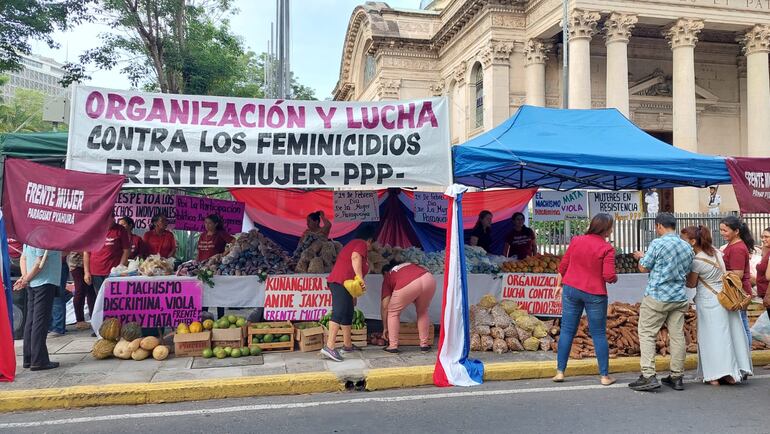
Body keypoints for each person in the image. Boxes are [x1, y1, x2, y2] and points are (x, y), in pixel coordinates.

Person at [629, 213, 694, 392]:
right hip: (679, 297)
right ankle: (677, 376)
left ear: (659, 226)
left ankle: (649, 375)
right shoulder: (687, 246)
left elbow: (644, 267)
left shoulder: (657, 243)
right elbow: (688, 271)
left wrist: (640, 256)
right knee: (677, 335)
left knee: (647, 333)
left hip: (657, 296)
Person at [681, 225, 752, 385]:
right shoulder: (717, 253)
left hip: (708, 301)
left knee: (710, 338)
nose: (682, 242)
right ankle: (730, 373)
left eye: (684, 239)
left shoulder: (697, 261)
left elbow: (691, 284)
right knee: (728, 336)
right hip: (724, 298)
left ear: (693, 241)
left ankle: (715, 375)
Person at [553, 213, 617, 386]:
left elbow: (563, 265)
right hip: (595, 294)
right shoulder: (607, 248)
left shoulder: (576, 241)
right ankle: (604, 376)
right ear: (605, 228)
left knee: (567, 330)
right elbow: (609, 275)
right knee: (598, 333)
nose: (612, 230)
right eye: (611, 226)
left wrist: (559, 285)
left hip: (571, 289)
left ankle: (560, 372)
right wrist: (614, 278)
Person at [321, 225, 376, 362]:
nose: (371, 246)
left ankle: (347, 345)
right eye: (372, 243)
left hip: (346, 285)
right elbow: (355, 257)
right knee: (339, 312)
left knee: (348, 313)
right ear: (369, 240)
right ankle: (329, 346)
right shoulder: (360, 244)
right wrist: (359, 277)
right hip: (339, 282)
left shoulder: (354, 244)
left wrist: (354, 294)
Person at [14, 245, 62, 371]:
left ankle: (29, 358)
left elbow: (23, 258)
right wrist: (25, 279)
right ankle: (39, 360)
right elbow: (39, 262)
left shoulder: (29, 237)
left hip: (32, 282)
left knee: (31, 320)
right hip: (44, 281)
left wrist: (25, 277)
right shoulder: (43, 238)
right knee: (40, 322)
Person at [380, 261, 435, 354]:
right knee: (423, 312)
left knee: (393, 312)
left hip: (409, 284)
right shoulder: (408, 264)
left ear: (385, 272)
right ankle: (424, 345)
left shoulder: (388, 275)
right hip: (428, 278)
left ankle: (392, 346)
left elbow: (385, 306)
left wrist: (385, 328)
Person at [720, 215, 755, 349]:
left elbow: (737, 275)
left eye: (725, 230)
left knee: (742, 324)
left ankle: (745, 354)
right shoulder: (734, 245)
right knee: (741, 322)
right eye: (721, 230)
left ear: (736, 231)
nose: (722, 233)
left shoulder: (737, 249)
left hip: (738, 293)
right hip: (739, 292)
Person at [84, 212, 130, 293]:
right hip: (96, 271)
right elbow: (86, 252)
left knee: (113, 296)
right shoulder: (93, 229)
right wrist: (86, 272)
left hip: (113, 272)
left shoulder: (120, 230)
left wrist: (120, 267)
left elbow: (126, 250)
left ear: (113, 218)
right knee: (100, 296)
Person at [68, 251, 95, 331]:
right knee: (80, 291)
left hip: (91, 264)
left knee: (91, 292)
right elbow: (80, 249)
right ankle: (80, 320)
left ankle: (93, 317)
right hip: (77, 264)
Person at [757, 228, 770, 313]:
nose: (763, 239)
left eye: (766, 237)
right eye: (762, 237)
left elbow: (769, 277)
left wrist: (768, 295)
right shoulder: (767, 251)